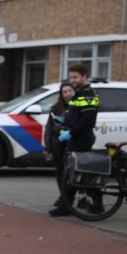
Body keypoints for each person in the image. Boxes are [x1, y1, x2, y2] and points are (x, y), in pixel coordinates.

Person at [52, 63, 101, 216]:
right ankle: (93, 204)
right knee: (77, 172)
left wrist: (71, 132)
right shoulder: (79, 93)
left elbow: (88, 120)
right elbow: (75, 115)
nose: (72, 80)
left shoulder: (88, 95)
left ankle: (68, 205)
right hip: (75, 138)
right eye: (71, 77)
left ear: (84, 76)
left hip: (81, 139)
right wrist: (64, 123)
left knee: (76, 172)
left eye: (75, 77)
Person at [44, 81, 76, 216]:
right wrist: (47, 146)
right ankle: (64, 197)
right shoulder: (56, 109)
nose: (68, 94)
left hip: (72, 144)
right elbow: (49, 128)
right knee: (60, 172)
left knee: (72, 173)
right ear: (61, 95)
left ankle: (69, 199)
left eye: (70, 91)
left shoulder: (77, 106)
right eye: (65, 92)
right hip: (57, 144)